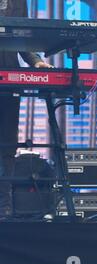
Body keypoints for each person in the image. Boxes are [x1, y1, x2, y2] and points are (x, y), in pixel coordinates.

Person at [0, 0, 53, 220]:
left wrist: (36, 62)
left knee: (7, 146)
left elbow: (21, 37)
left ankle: (4, 207)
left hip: (9, 78)